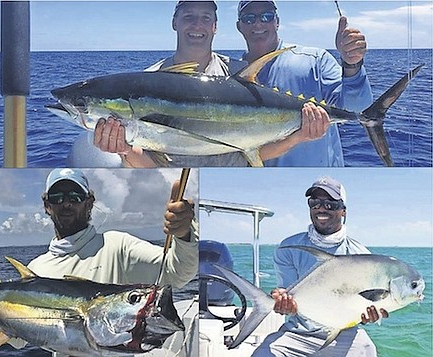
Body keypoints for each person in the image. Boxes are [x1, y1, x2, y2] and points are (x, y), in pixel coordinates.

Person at [93, 1, 250, 167]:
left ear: (215, 26)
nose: (197, 25)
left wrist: (282, 140)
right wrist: (125, 150)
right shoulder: (148, 80)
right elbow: (150, 166)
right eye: (189, 17)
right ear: (174, 22)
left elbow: (260, 145)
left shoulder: (238, 73)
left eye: (206, 18)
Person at [252, 176, 387, 356]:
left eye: (330, 203)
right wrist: (281, 299)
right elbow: (287, 289)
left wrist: (369, 316)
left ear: (343, 211)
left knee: (368, 351)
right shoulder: (288, 248)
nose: (321, 208)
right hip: (297, 333)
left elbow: (361, 304)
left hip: (344, 333)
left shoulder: (362, 256)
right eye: (314, 202)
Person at [236, 0, 373, 166]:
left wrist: (352, 64)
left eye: (267, 16)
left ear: (277, 22)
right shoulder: (232, 74)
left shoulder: (315, 60)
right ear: (239, 26)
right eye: (249, 18)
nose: (258, 23)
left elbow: (357, 108)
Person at [28, 168, 198, 288]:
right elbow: (17, 337)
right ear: (47, 206)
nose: (66, 204)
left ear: (89, 203)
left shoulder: (118, 246)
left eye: (75, 197)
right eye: (57, 197)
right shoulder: (34, 270)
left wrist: (183, 234)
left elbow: (176, 274)